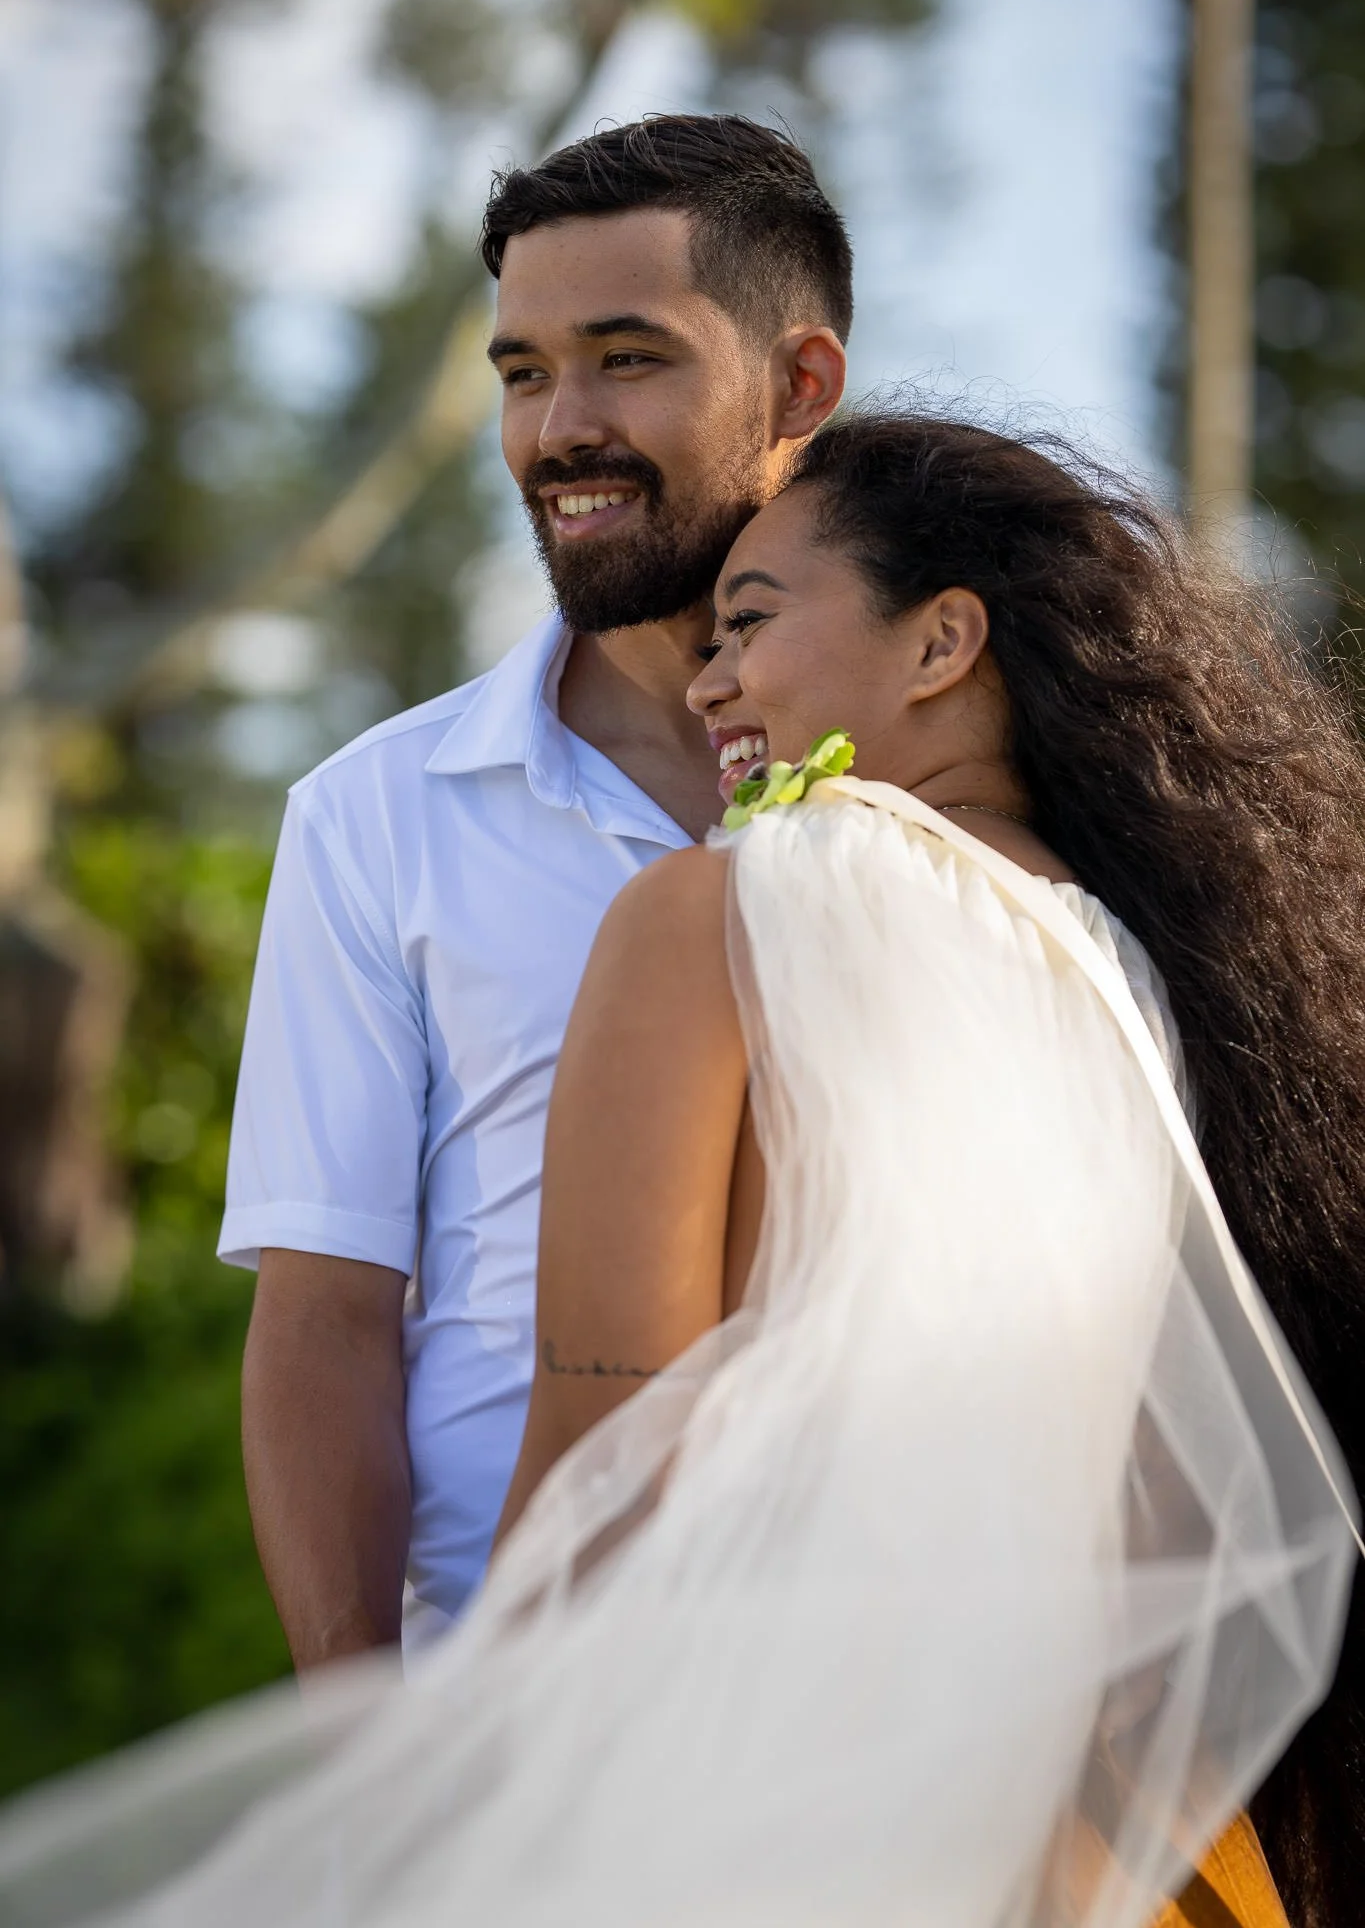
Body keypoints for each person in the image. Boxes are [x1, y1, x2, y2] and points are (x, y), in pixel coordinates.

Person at [2, 410, 1358, 1928]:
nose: (709, 678)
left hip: (744, 1811)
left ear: (941, 642)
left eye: (750, 624)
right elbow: (1176, 1520)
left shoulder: (705, 916)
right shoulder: (1124, 971)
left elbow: (605, 1458)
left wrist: (458, 1805)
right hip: (1055, 1835)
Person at [220, 114, 849, 1662]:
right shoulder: (373, 819)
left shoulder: (975, 793)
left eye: (628, 357)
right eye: (520, 373)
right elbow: (324, 1322)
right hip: (514, 1707)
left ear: (801, 385)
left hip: (904, 1706)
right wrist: (364, 1753)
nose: (558, 428)